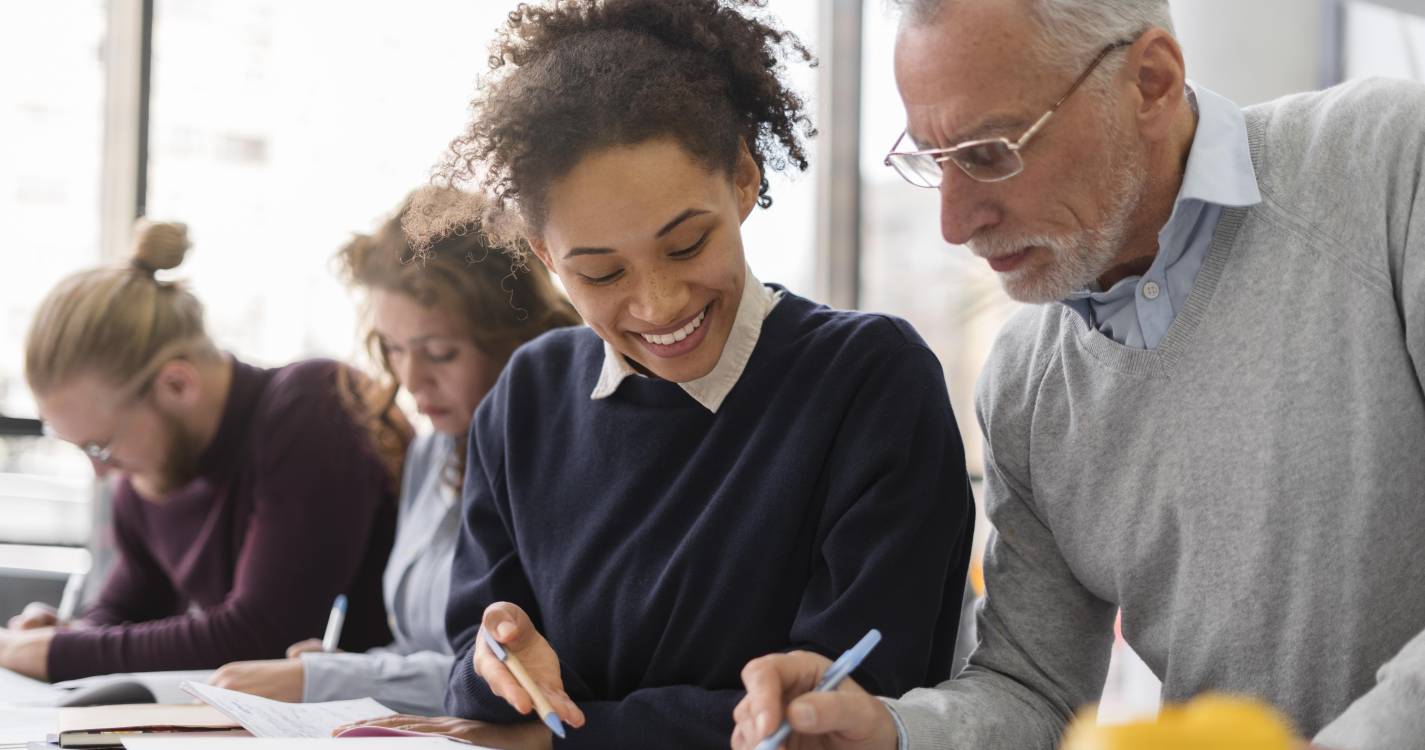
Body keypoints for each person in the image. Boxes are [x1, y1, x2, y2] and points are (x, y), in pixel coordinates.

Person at [732, 0, 1425, 748]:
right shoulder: (1026, 386)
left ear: (1149, 83)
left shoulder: (1388, 164)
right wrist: (890, 732)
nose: (955, 223)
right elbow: (1032, 687)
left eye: (989, 151)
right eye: (933, 161)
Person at [352, 0, 976, 747]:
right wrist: (499, 662)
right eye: (601, 272)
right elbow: (474, 670)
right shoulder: (527, 398)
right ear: (549, 261)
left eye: (685, 246)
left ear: (743, 179)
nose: (657, 303)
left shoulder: (869, 383)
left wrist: (567, 738)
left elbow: (847, 705)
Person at [209, 193, 581, 715]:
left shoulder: (563, 461)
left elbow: (514, 675)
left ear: (515, 339)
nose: (411, 380)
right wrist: (343, 669)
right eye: (393, 349)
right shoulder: (431, 455)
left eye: (440, 353)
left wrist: (331, 678)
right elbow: (422, 654)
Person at [0, 221, 401, 681]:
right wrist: (68, 633)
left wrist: (57, 653)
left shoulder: (315, 406)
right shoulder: (149, 474)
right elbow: (122, 615)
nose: (100, 471)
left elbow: (260, 635)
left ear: (177, 384)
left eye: (100, 445)